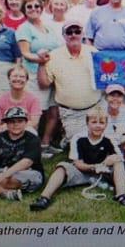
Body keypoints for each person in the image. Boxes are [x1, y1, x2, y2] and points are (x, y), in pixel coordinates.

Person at [29, 107, 125, 211]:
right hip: (83, 171)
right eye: (94, 122)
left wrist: (109, 161)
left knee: (118, 163)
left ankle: (121, 195)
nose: (98, 126)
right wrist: (96, 167)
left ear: (106, 124)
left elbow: (118, 158)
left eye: (101, 123)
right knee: (62, 167)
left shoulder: (109, 139)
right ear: (87, 123)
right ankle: (44, 198)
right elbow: (78, 164)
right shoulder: (79, 138)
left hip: (103, 174)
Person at [38, 20, 102, 150]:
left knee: (100, 144)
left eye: (77, 31)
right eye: (69, 32)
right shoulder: (54, 56)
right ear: (63, 35)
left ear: (82, 34)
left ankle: (69, 137)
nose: (73, 35)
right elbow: (44, 84)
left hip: (95, 109)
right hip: (70, 112)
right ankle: (68, 137)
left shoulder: (94, 52)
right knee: (82, 148)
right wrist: (41, 63)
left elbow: (106, 76)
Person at [16, 0, 62, 152]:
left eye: (36, 6)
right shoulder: (24, 28)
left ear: (41, 8)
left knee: (53, 111)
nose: (33, 9)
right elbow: (25, 53)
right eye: (29, 7)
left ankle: (45, 144)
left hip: (52, 74)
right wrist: (40, 59)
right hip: (34, 75)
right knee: (36, 112)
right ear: (24, 10)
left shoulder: (48, 26)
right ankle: (29, 146)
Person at [0, 65, 42, 136]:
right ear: (9, 79)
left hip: (26, 131)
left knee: (31, 131)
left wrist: (13, 126)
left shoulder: (34, 99)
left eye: (22, 77)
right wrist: (9, 127)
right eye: (15, 76)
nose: (18, 79)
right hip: (5, 131)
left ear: (26, 80)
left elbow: (34, 122)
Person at [102, 84, 125, 171]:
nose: (115, 99)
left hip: (122, 141)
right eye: (112, 96)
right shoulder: (101, 112)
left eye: (119, 96)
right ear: (106, 97)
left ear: (123, 98)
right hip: (106, 142)